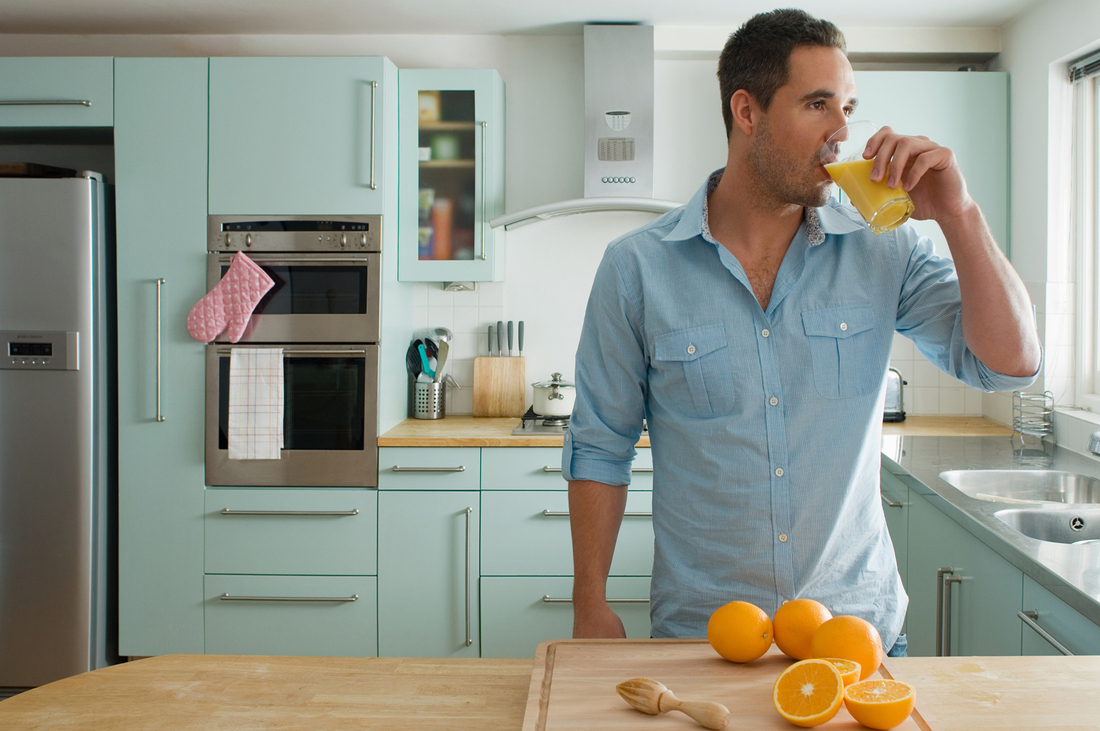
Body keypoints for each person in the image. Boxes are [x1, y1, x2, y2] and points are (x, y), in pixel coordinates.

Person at [561, 8, 1041, 656]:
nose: (843, 131)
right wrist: (590, 603)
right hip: (704, 643)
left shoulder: (884, 247)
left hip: (858, 640)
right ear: (746, 111)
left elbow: (1010, 364)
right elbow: (599, 445)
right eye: (819, 105)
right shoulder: (637, 268)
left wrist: (959, 213)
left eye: (847, 107)